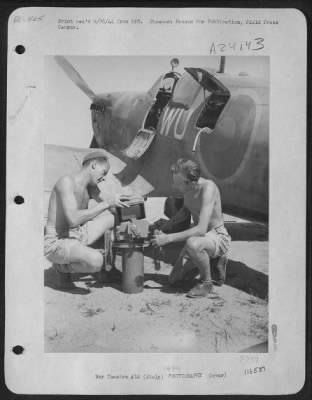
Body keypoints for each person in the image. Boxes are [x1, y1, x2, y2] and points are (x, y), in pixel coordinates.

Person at [44, 149, 131, 289]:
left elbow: (112, 206)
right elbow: (73, 219)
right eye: (104, 173)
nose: (103, 178)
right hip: (58, 241)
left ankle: (107, 269)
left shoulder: (91, 188)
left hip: (78, 234)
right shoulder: (66, 182)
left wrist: (130, 207)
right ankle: (61, 268)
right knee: (96, 261)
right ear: (94, 165)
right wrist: (106, 204)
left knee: (114, 219)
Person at [151, 158, 231, 298]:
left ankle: (207, 283)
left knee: (192, 244)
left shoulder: (208, 188)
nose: (175, 186)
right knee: (173, 280)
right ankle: (206, 261)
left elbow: (201, 229)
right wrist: (166, 225)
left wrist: (167, 238)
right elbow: (186, 210)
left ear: (191, 182)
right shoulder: (188, 188)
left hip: (217, 236)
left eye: (178, 183)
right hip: (201, 238)